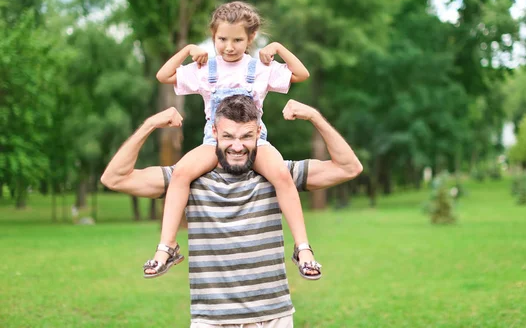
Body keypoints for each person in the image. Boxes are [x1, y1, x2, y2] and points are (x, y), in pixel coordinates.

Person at [100, 96, 362, 327]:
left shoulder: (278, 174)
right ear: (214, 132)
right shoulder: (190, 178)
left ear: (258, 133)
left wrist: (314, 116)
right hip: (211, 319)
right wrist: (150, 125)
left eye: (246, 136)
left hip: (272, 317)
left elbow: (348, 168)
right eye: (228, 136)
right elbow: (115, 178)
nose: (237, 146)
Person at [149, 1, 317, 279]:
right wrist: (188, 50)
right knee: (180, 173)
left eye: (238, 39)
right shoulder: (205, 69)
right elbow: (163, 75)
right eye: (222, 39)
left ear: (250, 39)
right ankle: (167, 247)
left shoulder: (260, 68)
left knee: (282, 176)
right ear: (213, 36)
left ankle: (303, 248)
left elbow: (302, 74)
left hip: (255, 142)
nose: (229, 46)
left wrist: (277, 48)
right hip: (214, 142)